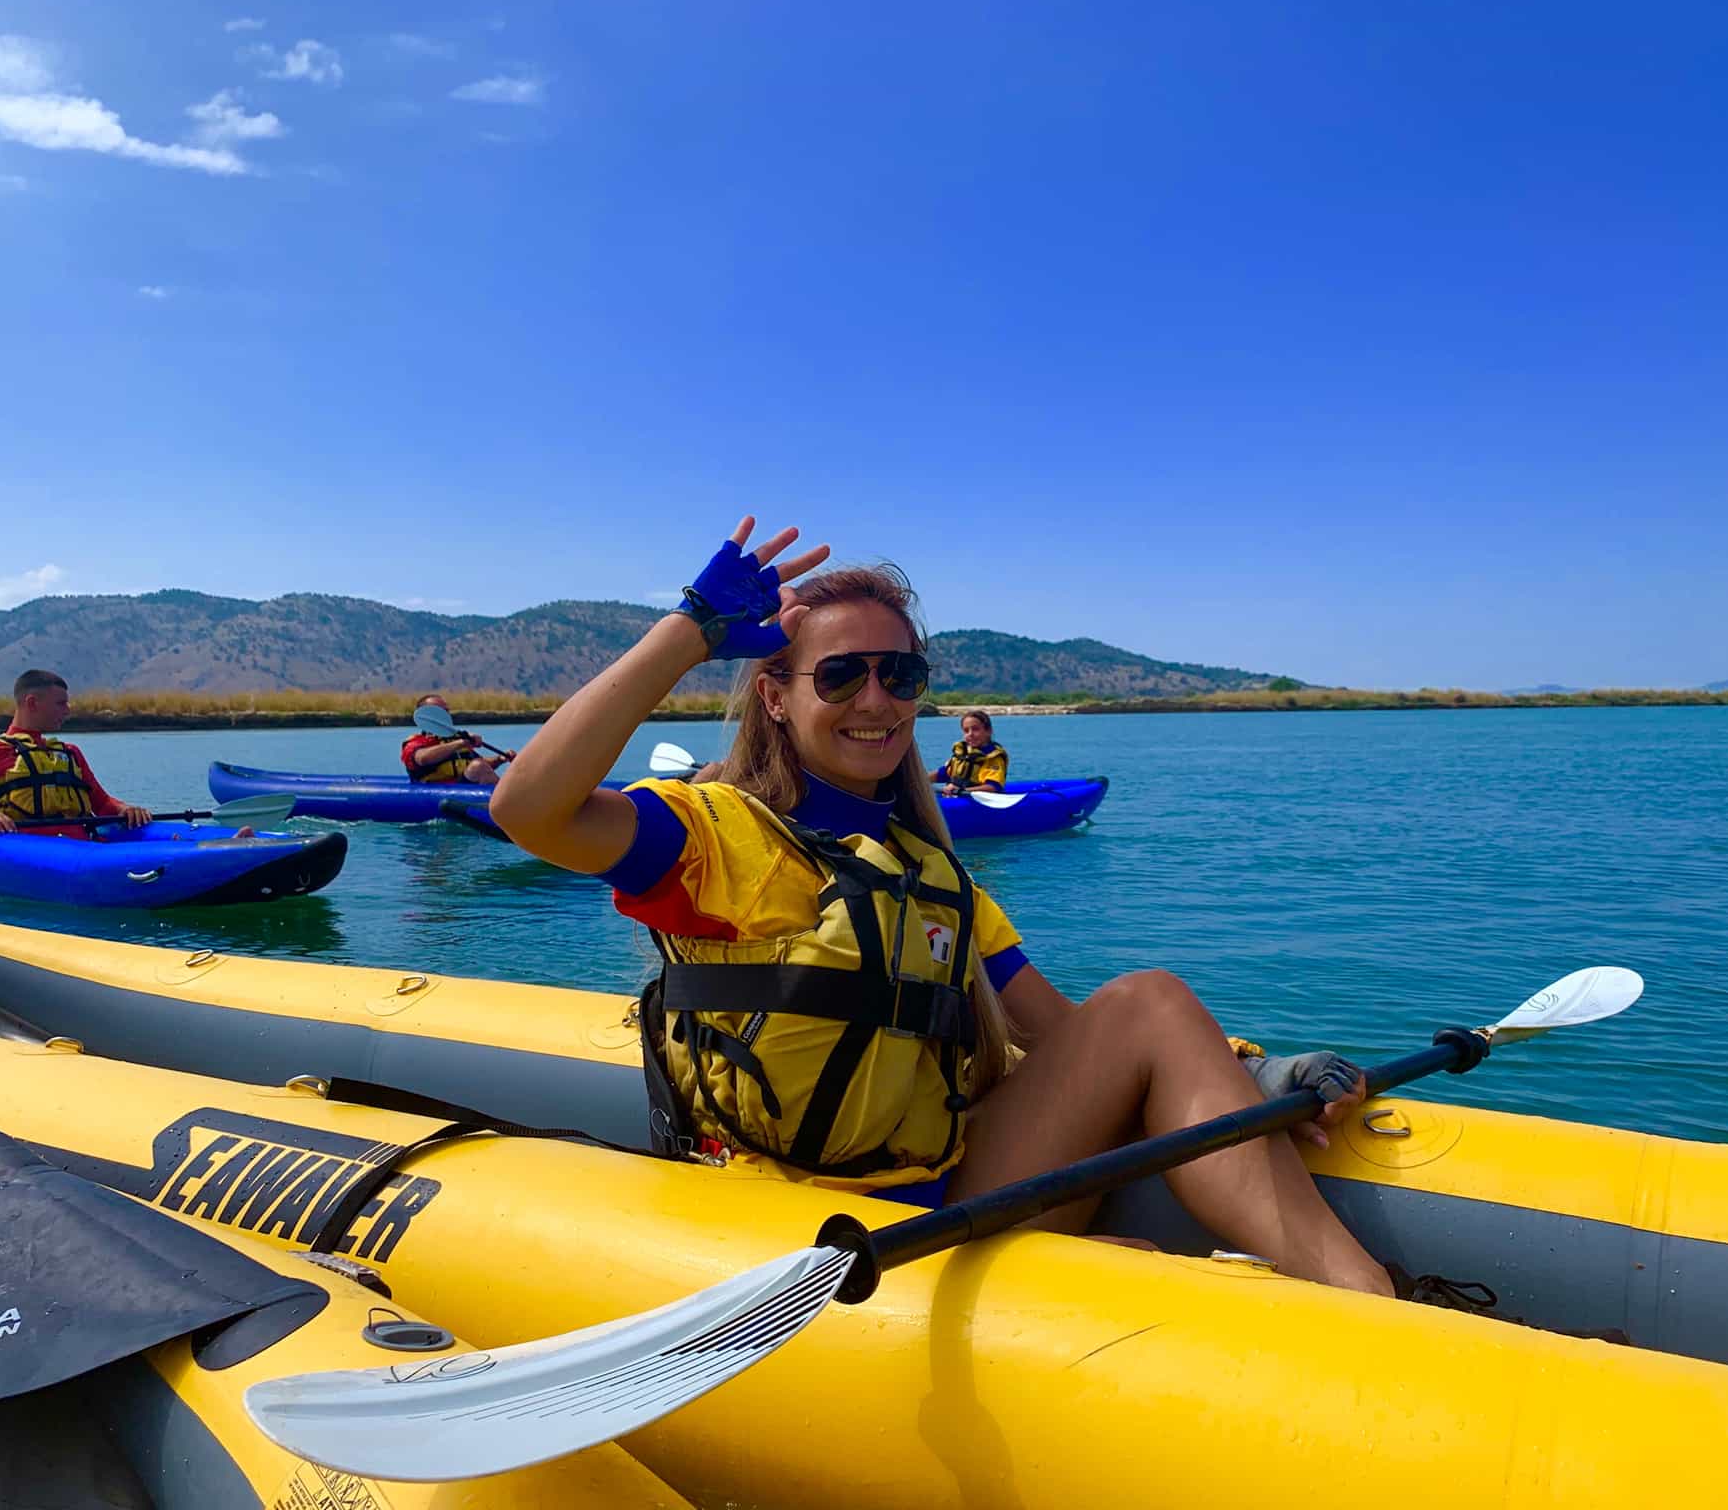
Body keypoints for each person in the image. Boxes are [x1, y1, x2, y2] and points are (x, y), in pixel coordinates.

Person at [493, 518, 1393, 1297]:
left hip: (945, 1194)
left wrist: (1253, 1075)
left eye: (901, 675)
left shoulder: (932, 874)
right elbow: (528, 809)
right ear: (775, 695)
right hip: (792, 1237)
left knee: (1151, 998)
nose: (876, 701)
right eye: (840, 676)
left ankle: (1372, 1306)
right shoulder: (715, 836)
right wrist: (688, 632)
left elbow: (1062, 1031)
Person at [0, 670, 156, 841]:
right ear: (32, 703)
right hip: (29, 853)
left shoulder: (70, 753)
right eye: (60, 703)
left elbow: (103, 805)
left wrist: (125, 809)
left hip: (82, 848)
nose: (67, 710)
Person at [400, 694, 515, 786]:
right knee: (477, 767)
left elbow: (478, 766)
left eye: (446, 711)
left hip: (460, 787)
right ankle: (507, 806)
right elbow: (422, 758)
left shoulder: (456, 739)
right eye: (440, 711)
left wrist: (500, 759)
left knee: (478, 766)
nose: (445, 715)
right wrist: (460, 743)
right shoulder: (415, 742)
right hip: (434, 791)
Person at [931, 709, 1008, 796]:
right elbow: (943, 774)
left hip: (978, 801)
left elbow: (993, 787)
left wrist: (961, 790)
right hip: (956, 796)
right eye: (966, 731)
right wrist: (918, 780)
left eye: (975, 729)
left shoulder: (993, 757)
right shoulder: (962, 753)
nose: (970, 734)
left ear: (988, 731)